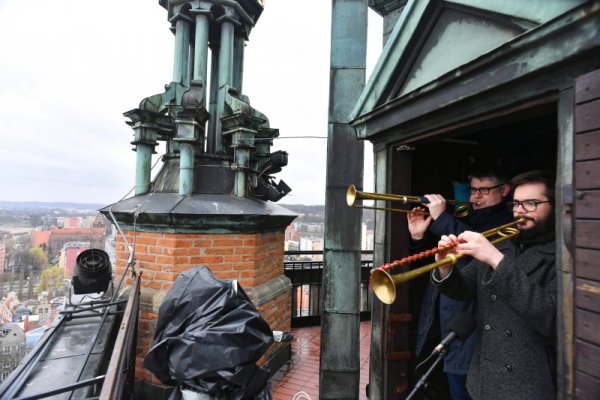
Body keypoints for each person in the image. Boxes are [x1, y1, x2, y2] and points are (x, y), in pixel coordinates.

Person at [431, 170, 556, 400]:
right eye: (517, 203)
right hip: (482, 380)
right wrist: (445, 267)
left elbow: (550, 317)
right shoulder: (504, 243)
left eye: (531, 203)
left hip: (529, 384)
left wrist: (496, 261)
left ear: (555, 205)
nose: (519, 210)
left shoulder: (560, 256)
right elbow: (464, 290)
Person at [407, 168, 512, 400]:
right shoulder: (464, 218)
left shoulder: (508, 223)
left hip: (473, 333)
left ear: (504, 190)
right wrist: (418, 239)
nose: (475, 198)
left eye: (483, 190)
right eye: (473, 190)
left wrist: (443, 219)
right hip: (444, 325)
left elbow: (478, 245)